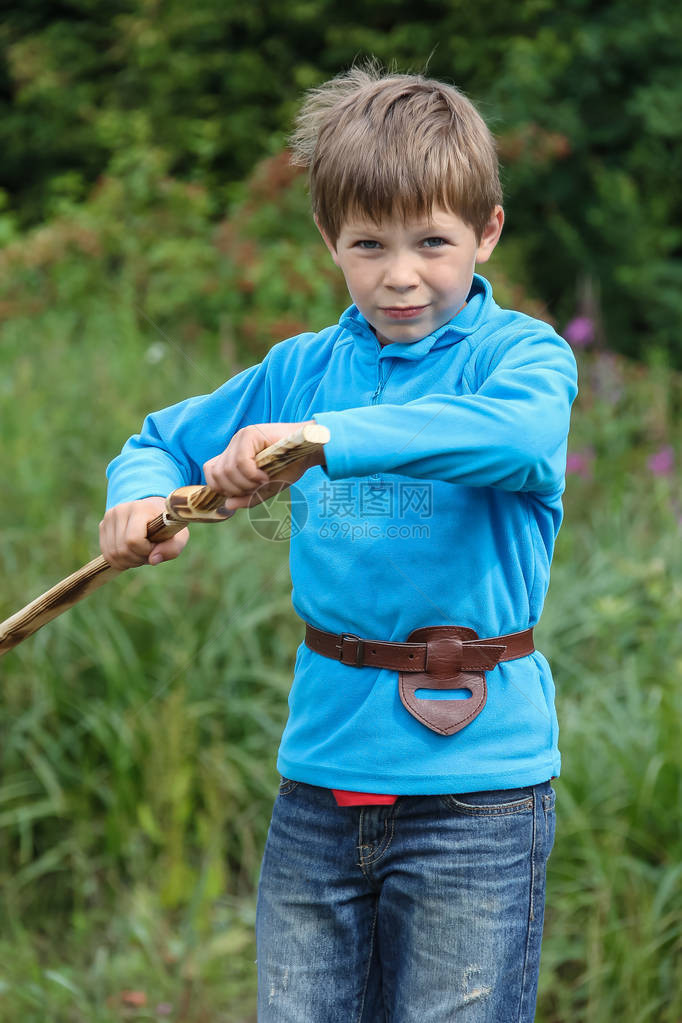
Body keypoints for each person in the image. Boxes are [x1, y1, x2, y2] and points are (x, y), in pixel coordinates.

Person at [101, 64, 578, 1023]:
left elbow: (516, 437)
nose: (400, 275)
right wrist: (141, 498)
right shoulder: (305, 366)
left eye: (432, 242)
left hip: (474, 798)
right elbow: (156, 439)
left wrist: (325, 437)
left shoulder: (521, 357)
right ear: (330, 241)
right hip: (320, 780)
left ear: (487, 230)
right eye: (368, 245)